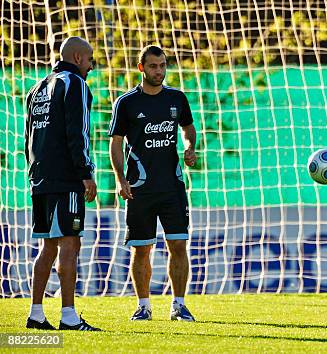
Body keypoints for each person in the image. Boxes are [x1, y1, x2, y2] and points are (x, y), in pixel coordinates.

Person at [108, 45, 197, 322]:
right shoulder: (127, 102)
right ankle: (143, 306)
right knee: (141, 249)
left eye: (162, 66)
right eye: (153, 66)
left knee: (178, 246)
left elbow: (188, 128)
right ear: (141, 68)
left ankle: (179, 306)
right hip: (139, 189)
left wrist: (190, 146)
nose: (159, 71)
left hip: (172, 187)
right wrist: (120, 179)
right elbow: (116, 143)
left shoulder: (177, 99)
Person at [24, 36, 101, 331]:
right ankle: (69, 316)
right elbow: (77, 132)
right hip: (66, 178)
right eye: (91, 60)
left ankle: (36, 314)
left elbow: (28, 136)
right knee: (70, 243)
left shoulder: (36, 88)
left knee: (48, 247)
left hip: (39, 177)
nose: (92, 66)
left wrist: (34, 173)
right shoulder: (75, 83)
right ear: (79, 57)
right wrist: (85, 172)